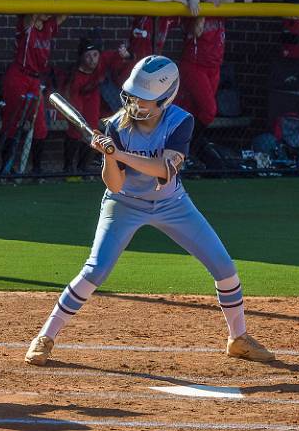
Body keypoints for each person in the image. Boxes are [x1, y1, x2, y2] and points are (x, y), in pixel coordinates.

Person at [25, 56, 274, 365]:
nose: (137, 102)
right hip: (124, 204)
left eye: (146, 98)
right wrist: (109, 156)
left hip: (173, 204)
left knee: (224, 267)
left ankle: (238, 338)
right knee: (96, 269)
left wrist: (121, 153)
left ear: (164, 99)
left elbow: (163, 170)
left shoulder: (180, 121)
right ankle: (45, 337)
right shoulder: (115, 126)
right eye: (135, 95)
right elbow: (114, 186)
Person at [175, 0, 252, 156]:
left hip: (214, 67)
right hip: (194, 66)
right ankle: (187, 148)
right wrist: (198, 5)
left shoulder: (220, 8)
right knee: (209, 111)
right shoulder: (193, 8)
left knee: (196, 110)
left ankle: (184, 150)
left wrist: (223, 2)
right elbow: (196, 32)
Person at [0, 0, 67, 175]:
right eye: (42, 7)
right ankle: (6, 167)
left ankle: (37, 169)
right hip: (18, 76)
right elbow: (33, 13)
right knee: (12, 121)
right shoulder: (26, 24)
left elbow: (64, 13)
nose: (47, 11)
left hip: (35, 79)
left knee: (40, 125)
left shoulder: (48, 26)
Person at [63, 35, 131, 173]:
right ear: (82, 57)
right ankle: (68, 167)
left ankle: (82, 167)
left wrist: (125, 54)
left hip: (93, 93)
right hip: (78, 97)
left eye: (95, 55)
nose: (93, 59)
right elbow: (72, 98)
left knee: (92, 130)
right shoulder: (76, 76)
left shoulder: (102, 60)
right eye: (88, 56)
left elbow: (116, 57)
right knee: (76, 129)